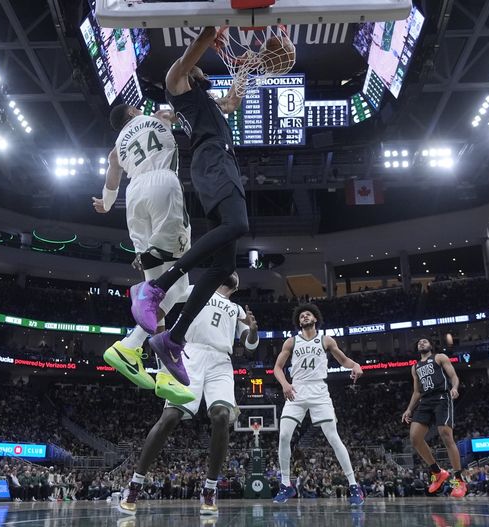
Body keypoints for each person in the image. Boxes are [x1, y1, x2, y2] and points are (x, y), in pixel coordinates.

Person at [131, 25, 249, 387]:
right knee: (238, 225)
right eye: (194, 65)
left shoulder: (204, 102)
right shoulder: (175, 83)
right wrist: (214, 28)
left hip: (218, 164)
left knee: (223, 267)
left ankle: (173, 338)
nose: (198, 68)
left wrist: (244, 72)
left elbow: (231, 103)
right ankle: (158, 287)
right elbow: (194, 50)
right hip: (212, 162)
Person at [118, 272, 258, 516]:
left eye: (236, 272)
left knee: (221, 416)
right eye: (230, 270)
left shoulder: (238, 309)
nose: (233, 272)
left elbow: (249, 346)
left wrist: (254, 332)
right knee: (170, 417)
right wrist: (158, 332)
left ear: (238, 286)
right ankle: (135, 484)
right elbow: (164, 301)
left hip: (221, 361)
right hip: (189, 352)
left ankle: (210, 489)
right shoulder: (198, 288)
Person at [95, 106, 194, 405]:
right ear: (132, 112)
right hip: (162, 184)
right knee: (176, 284)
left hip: (134, 197)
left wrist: (108, 202)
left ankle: (165, 373)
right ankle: (129, 344)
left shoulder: (119, 144)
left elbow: (113, 168)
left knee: (155, 292)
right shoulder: (156, 116)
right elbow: (179, 115)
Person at [272, 303, 365, 506]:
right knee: (284, 435)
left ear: (315, 319)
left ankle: (353, 485)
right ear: (298, 321)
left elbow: (344, 360)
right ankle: (286, 485)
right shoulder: (291, 341)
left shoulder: (325, 340)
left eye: (308, 314)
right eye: (301, 316)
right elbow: (277, 368)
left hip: (318, 391)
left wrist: (356, 365)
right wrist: (285, 384)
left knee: (333, 437)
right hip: (296, 389)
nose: (304, 317)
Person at [401, 338, 467, 498]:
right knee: (415, 438)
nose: (421, 343)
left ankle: (459, 480)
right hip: (425, 401)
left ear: (431, 346)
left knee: (445, 435)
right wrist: (409, 409)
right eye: (419, 342)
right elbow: (417, 391)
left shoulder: (440, 357)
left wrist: (455, 388)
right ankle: (437, 472)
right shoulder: (414, 367)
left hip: (442, 398)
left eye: (425, 341)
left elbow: (453, 375)